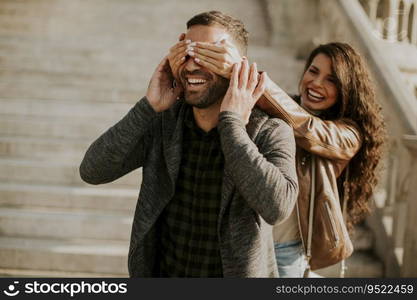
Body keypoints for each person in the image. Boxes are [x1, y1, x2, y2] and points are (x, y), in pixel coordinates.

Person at [79, 11, 298, 278]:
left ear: (236, 65)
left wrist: (231, 125)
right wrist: (148, 106)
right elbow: (93, 170)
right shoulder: (163, 122)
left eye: (210, 55)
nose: (193, 65)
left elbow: (277, 208)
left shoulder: (269, 130)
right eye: (188, 52)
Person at [182, 41, 385, 277]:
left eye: (332, 80)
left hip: (286, 250)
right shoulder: (278, 109)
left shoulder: (348, 135)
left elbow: (308, 128)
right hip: (246, 242)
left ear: (347, 89)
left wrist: (244, 71)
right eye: (313, 71)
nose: (317, 83)